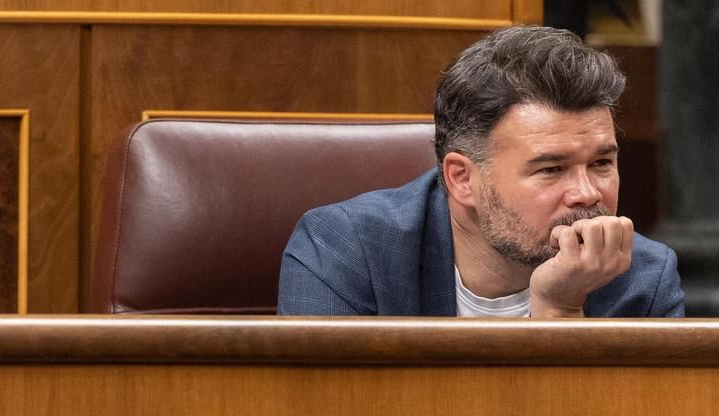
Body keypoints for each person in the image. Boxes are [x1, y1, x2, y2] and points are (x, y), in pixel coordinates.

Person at [277, 25, 684, 318]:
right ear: (461, 179)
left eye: (601, 163)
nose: (587, 194)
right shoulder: (347, 251)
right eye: (551, 169)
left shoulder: (641, 280)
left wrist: (559, 308)